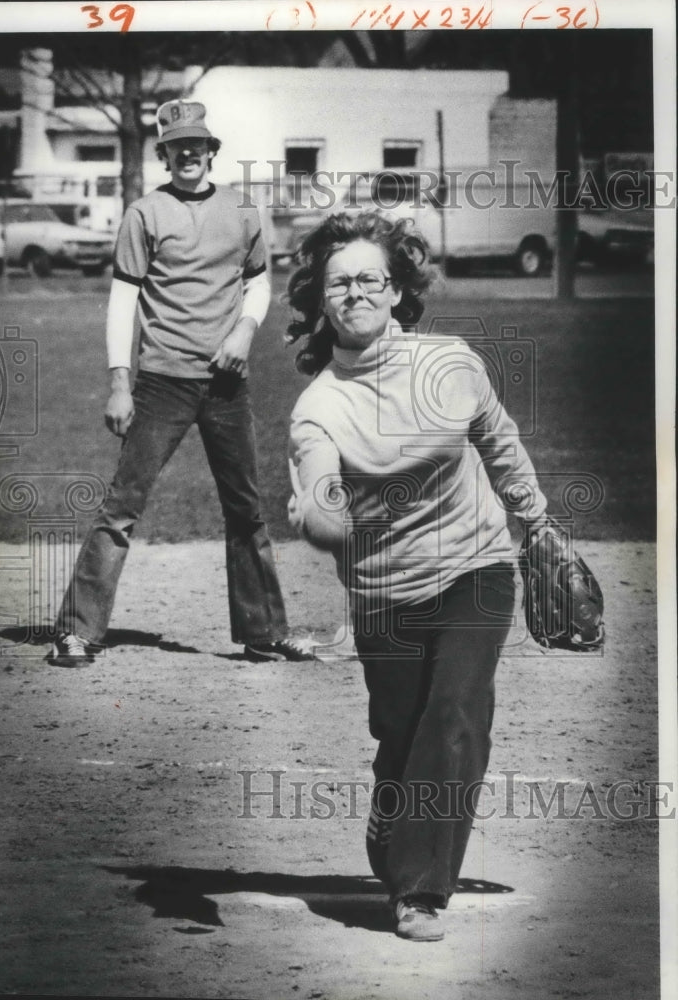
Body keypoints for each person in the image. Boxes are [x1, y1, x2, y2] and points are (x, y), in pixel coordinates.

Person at [286, 210, 549, 941]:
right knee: (401, 731)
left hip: (478, 567)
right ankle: (394, 819)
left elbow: (500, 443)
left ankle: (421, 892)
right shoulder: (320, 406)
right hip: (384, 590)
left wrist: (539, 527)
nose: (357, 292)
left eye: (372, 278)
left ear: (400, 291)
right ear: (321, 300)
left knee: (456, 713)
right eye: (340, 282)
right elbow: (319, 487)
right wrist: (319, 513)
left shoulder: (451, 362)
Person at [49, 100, 312, 668]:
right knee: (122, 507)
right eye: (176, 145)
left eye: (198, 144)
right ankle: (76, 632)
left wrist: (244, 330)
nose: (188, 152)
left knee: (245, 510)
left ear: (211, 151)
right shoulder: (144, 214)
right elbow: (123, 302)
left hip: (226, 384)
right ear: (163, 153)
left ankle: (264, 631)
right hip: (162, 382)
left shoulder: (242, 211)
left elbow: (260, 285)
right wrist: (120, 382)